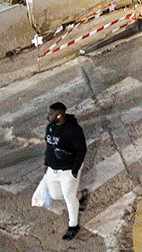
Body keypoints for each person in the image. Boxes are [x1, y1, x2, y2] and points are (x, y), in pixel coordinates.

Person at [44, 102, 87, 241]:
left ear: (59, 114)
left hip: (68, 170)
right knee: (56, 195)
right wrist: (46, 163)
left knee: (69, 198)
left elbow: (82, 150)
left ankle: (73, 226)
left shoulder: (73, 130)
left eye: (50, 114)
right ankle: (81, 195)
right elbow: (49, 146)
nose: (47, 116)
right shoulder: (50, 127)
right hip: (52, 169)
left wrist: (74, 170)